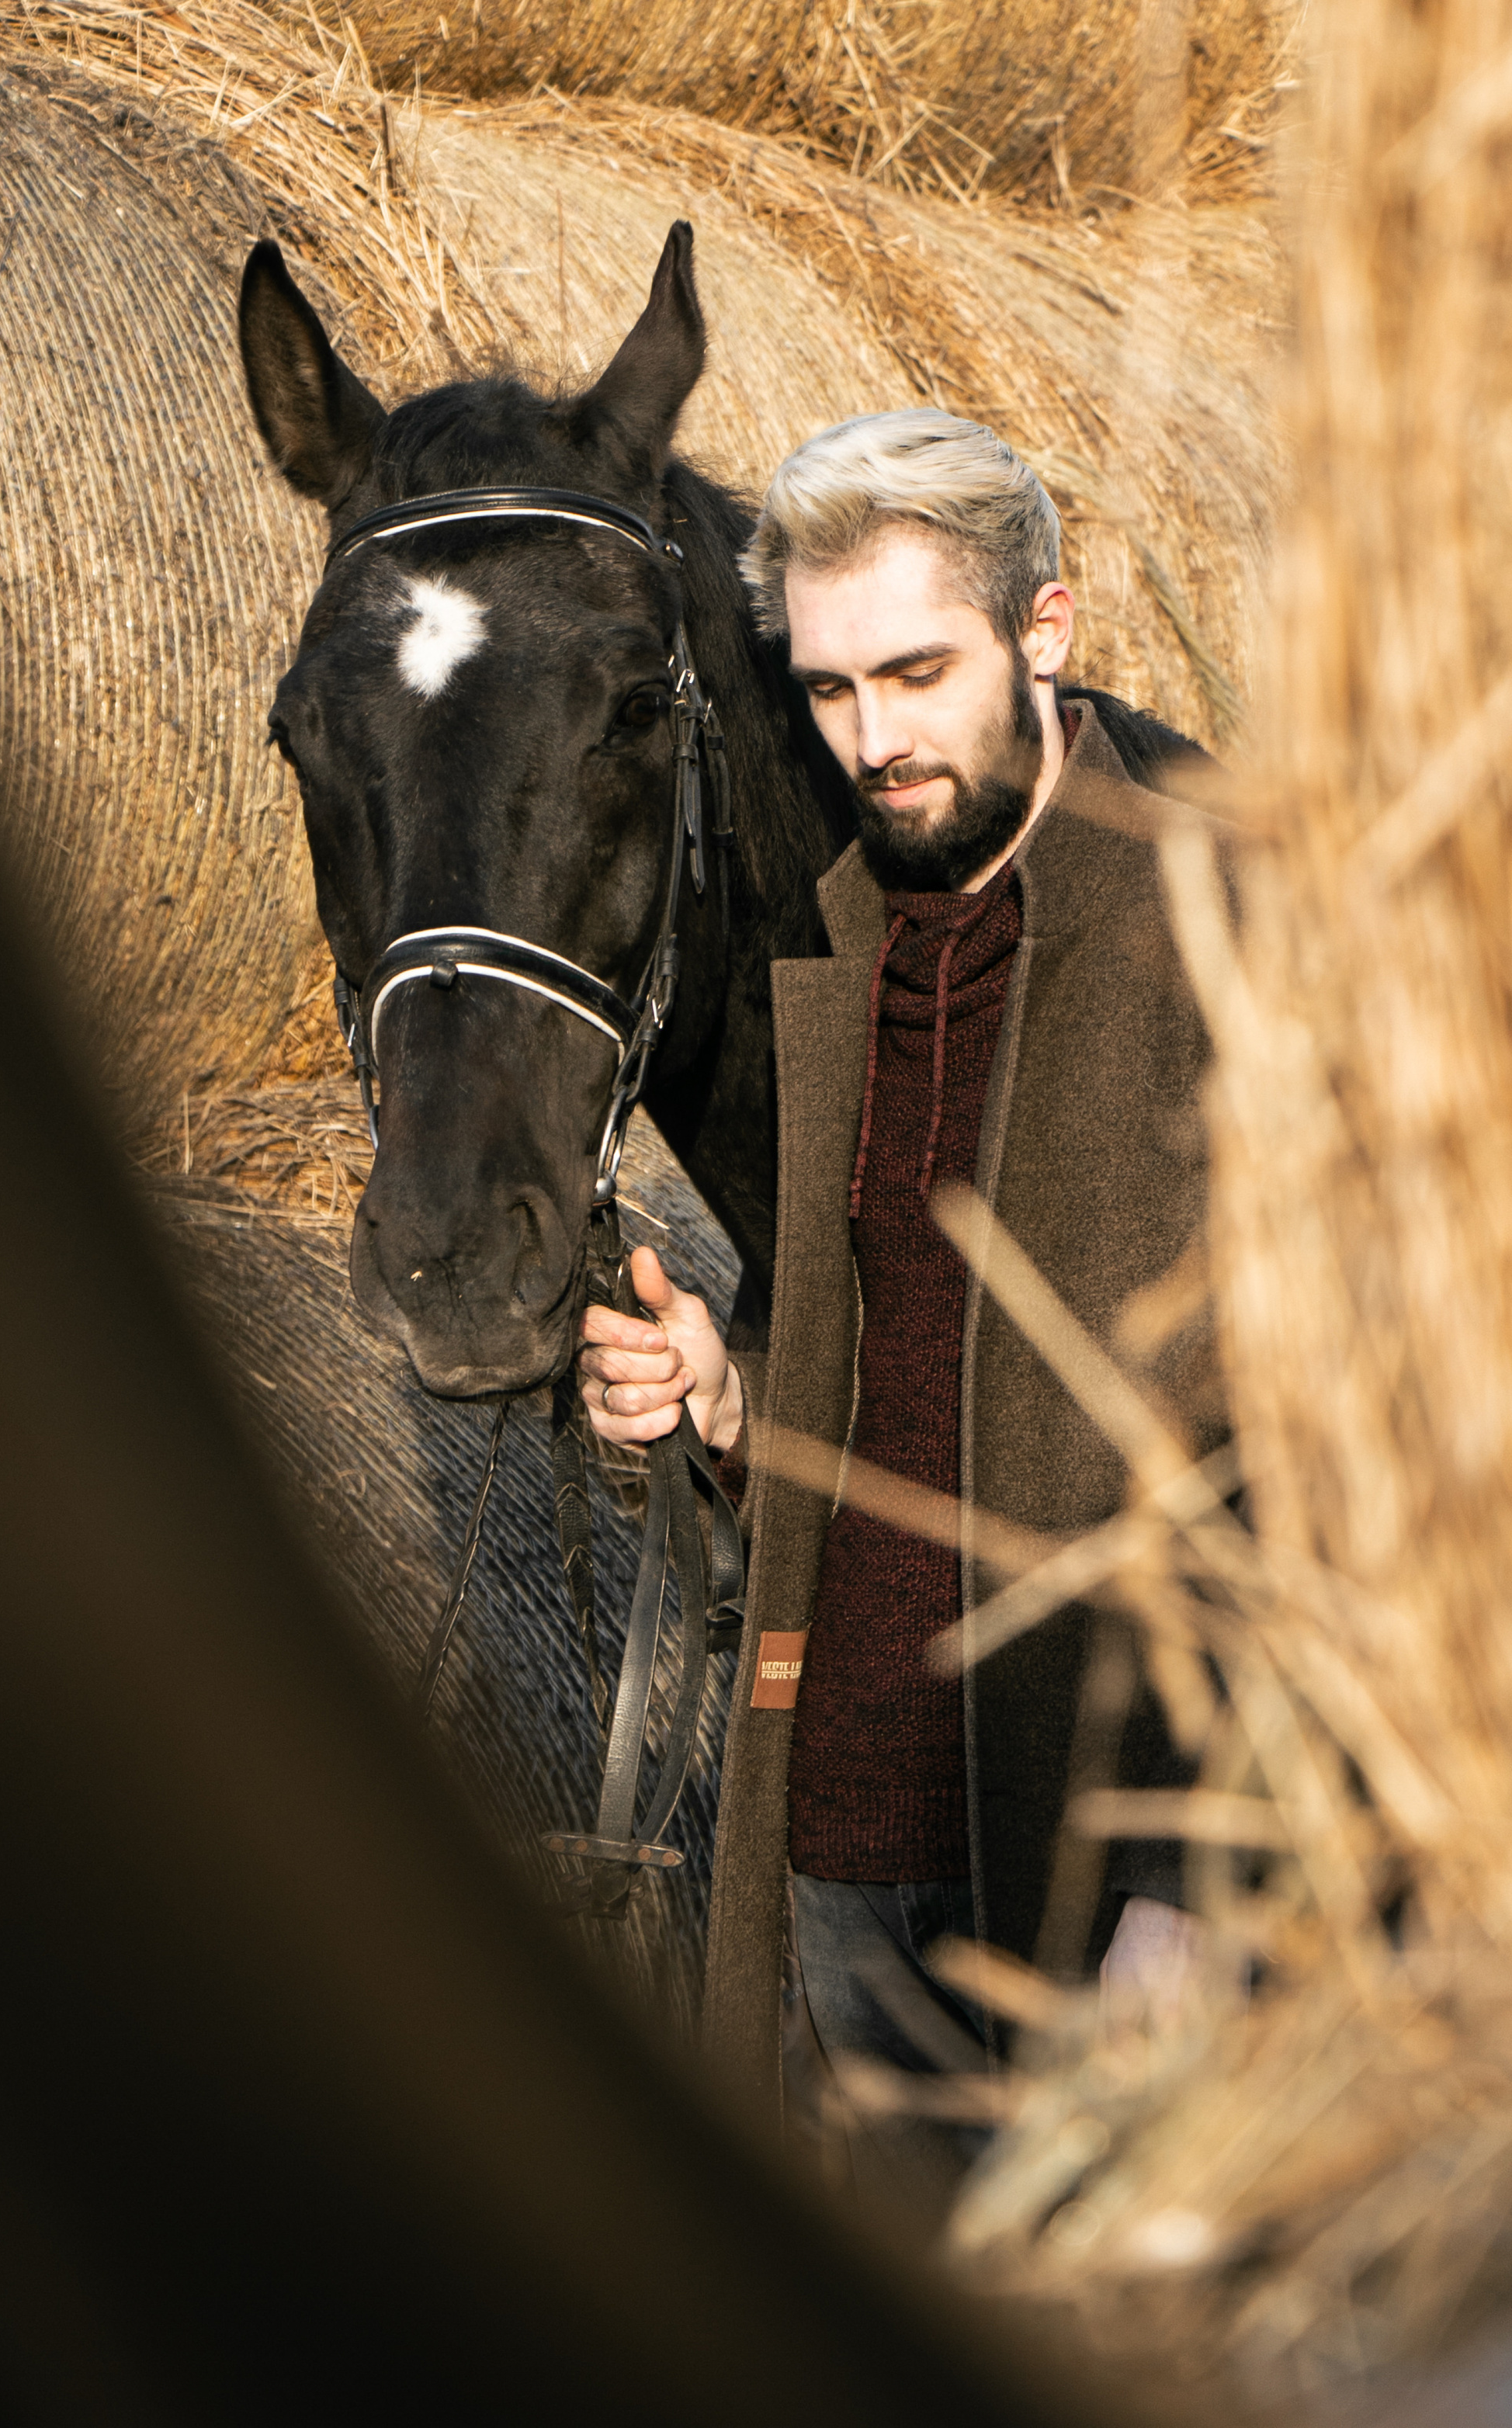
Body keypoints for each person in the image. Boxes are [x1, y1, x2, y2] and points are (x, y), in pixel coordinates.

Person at [578, 409, 1226, 2208]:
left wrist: (1194, 1883)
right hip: (851, 1834)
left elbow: (1325, 1431)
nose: (873, 743)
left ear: (1045, 630)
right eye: (831, 689)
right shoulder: (845, 942)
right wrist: (731, 1399)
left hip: (1107, 1860)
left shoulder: (1217, 916)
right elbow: (893, 1353)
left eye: (917, 674)